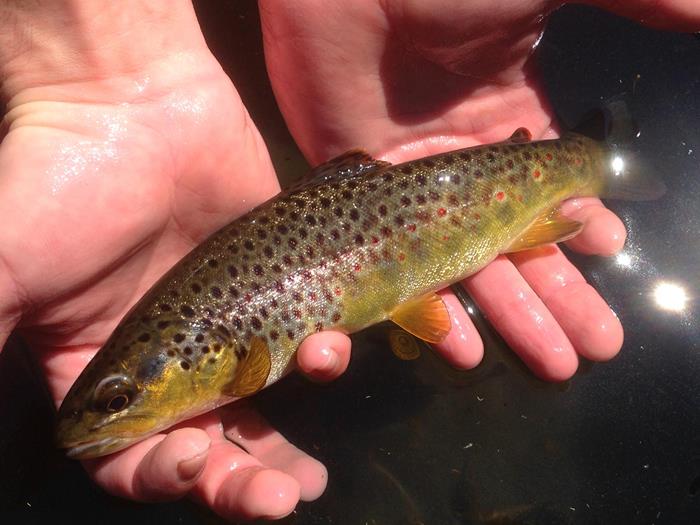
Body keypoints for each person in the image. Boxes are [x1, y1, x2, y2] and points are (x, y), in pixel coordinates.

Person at [0, 0, 697, 521]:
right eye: (117, 399)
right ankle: (593, 158)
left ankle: (595, 161)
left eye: (121, 399)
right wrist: (76, 68)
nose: (111, 411)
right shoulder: (197, 335)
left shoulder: (221, 352)